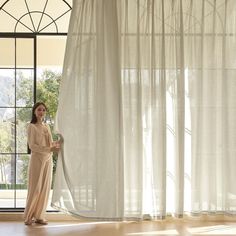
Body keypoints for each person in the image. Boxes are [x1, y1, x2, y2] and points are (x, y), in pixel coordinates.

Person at [23, 102, 61, 226]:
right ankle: (28, 217)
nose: (42, 112)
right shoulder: (31, 127)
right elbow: (32, 146)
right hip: (37, 159)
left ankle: (39, 216)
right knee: (35, 188)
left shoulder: (47, 127)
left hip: (47, 159)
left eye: (44, 110)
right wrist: (50, 149)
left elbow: (49, 144)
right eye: (39, 109)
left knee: (45, 189)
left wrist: (57, 143)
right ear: (34, 111)